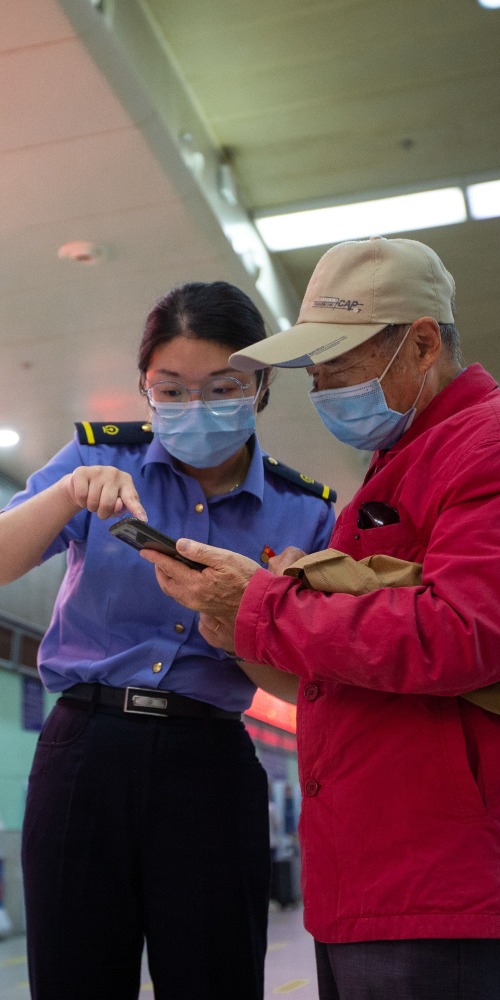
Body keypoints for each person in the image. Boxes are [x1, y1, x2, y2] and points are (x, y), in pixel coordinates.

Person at [138, 239, 500, 1000]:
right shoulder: (406, 459)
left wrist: (261, 605)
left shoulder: (482, 446)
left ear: (422, 343)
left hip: (440, 883)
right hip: (373, 877)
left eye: (338, 363)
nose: (323, 387)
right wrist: (230, 621)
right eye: (312, 370)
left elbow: (465, 633)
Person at [0, 280, 336, 1000]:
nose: (196, 407)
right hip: (84, 750)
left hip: (209, 764)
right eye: (171, 390)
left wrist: (238, 628)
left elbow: (308, 685)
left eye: (222, 387)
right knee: (74, 978)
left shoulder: (303, 513)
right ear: (144, 390)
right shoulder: (103, 463)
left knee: (215, 977)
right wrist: (64, 494)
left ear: (261, 386)